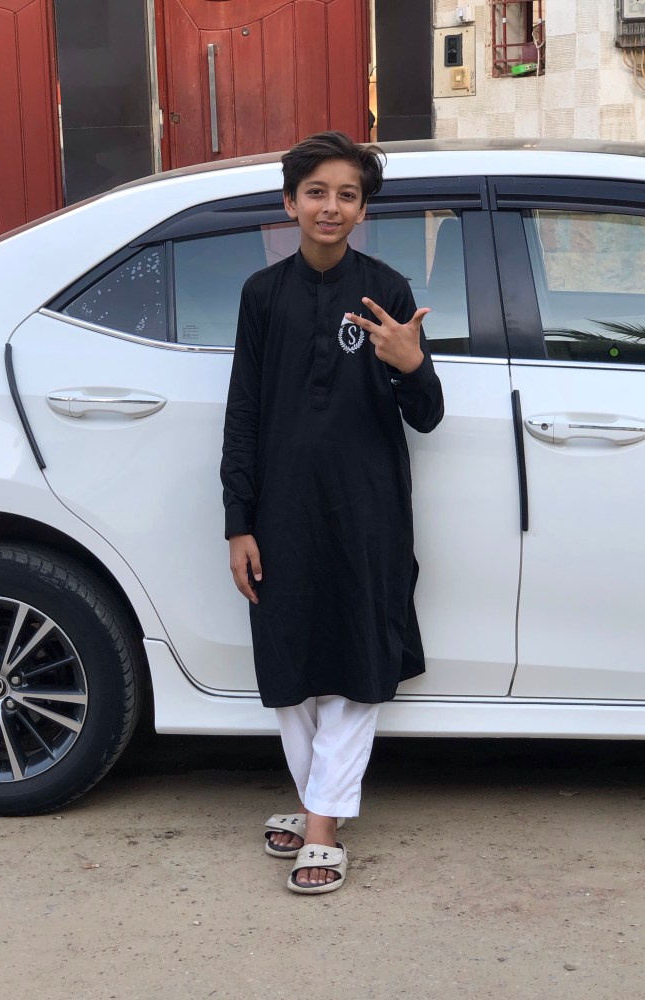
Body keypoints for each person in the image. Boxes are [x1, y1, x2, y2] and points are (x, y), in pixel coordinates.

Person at [220, 131, 444, 894]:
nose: (331, 206)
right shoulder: (262, 295)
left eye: (347, 194)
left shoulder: (387, 291)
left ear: (362, 210)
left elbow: (428, 415)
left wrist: (411, 365)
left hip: (368, 507)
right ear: (290, 203)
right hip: (281, 507)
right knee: (288, 658)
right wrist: (238, 520)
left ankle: (320, 824)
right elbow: (243, 412)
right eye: (316, 192)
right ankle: (322, 798)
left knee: (357, 655)